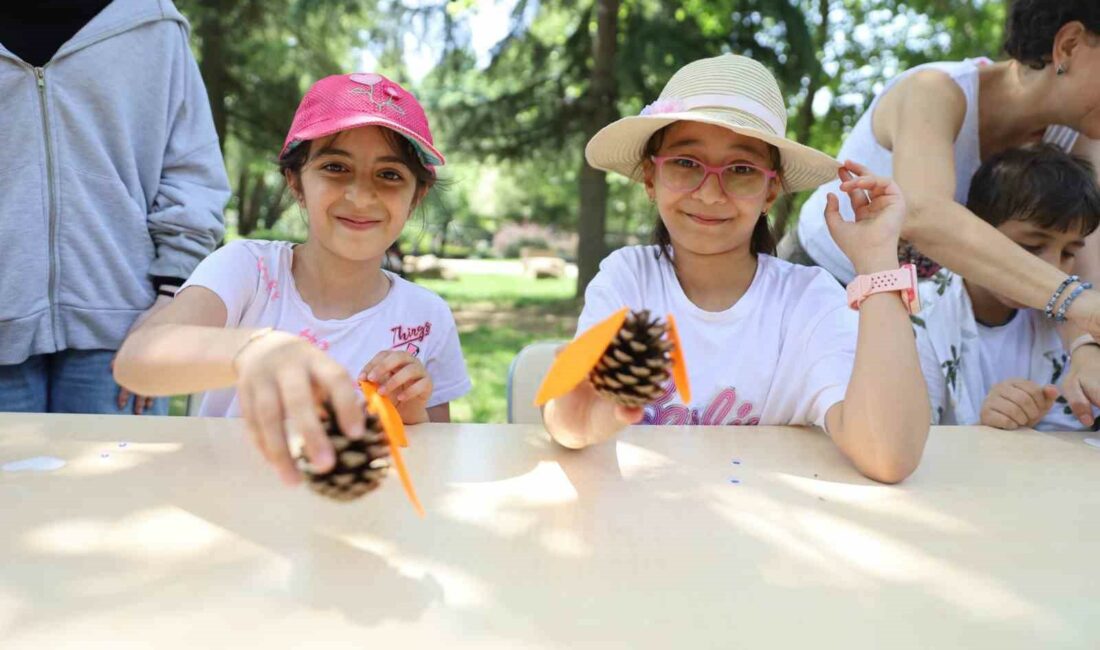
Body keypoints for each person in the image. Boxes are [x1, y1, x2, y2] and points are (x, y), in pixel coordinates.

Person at [542, 55, 930, 484]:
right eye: (686, 163)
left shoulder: (808, 300)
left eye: (741, 170)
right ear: (651, 178)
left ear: (770, 191)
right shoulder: (627, 278)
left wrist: (877, 261)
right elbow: (570, 420)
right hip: (637, 519)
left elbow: (887, 455)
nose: (710, 194)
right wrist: (578, 421)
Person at [114, 73, 471, 485]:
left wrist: (410, 412)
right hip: (232, 503)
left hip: (359, 513)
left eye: (389, 174)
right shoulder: (246, 270)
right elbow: (136, 361)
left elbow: (437, 460)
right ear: (296, 182)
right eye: (335, 167)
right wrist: (253, 352)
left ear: (416, 196)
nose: (360, 196)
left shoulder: (428, 315)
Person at [784, 0, 1100, 426]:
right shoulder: (932, 92)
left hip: (930, 318)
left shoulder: (1082, 136)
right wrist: (1076, 304)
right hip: (824, 284)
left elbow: (1082, 260)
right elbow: (924, 216)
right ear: (1069, 45)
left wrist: (1084, 348)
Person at [0, 0, 230, 415]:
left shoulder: (152, 21)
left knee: (120, 463)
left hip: (128, 329)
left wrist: (171, 298)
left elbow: (192, 172)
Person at [915, 144, 1100, 430]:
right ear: (977, 232)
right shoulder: (918, 316)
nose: (1053, 269)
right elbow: (906, 440)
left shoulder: (1068, 326)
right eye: (1031, 246)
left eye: (1068, 253)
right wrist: (986, 426)